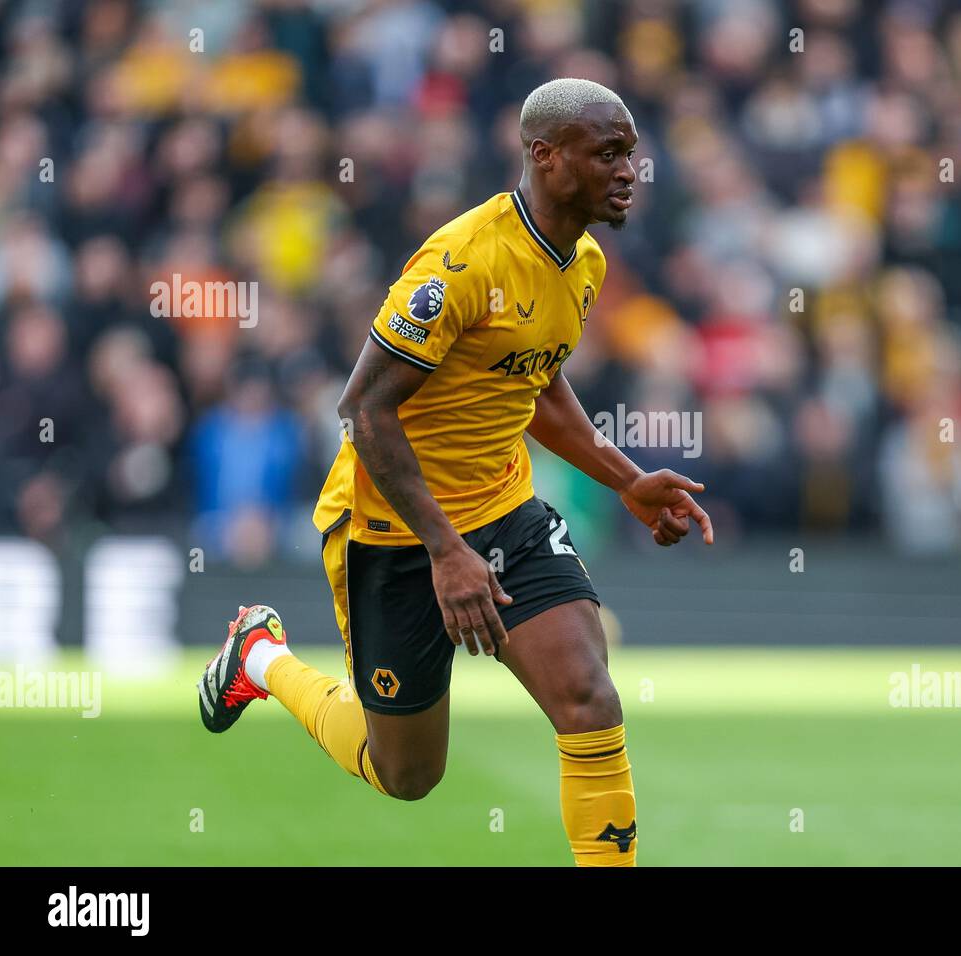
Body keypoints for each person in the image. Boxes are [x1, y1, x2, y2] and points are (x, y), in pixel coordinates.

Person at [196, 78, 713, 867]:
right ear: (546, 157)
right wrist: (444, 549)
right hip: (394, 530)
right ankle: (259, 655)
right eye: (608, 153)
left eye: (632, 154)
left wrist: (625, 478)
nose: (628, 171)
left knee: (589, 697)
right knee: (405, 774)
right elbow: (364, 410)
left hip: (504, 511)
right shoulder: (460, 264)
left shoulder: (584, 265)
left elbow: (531, 380)